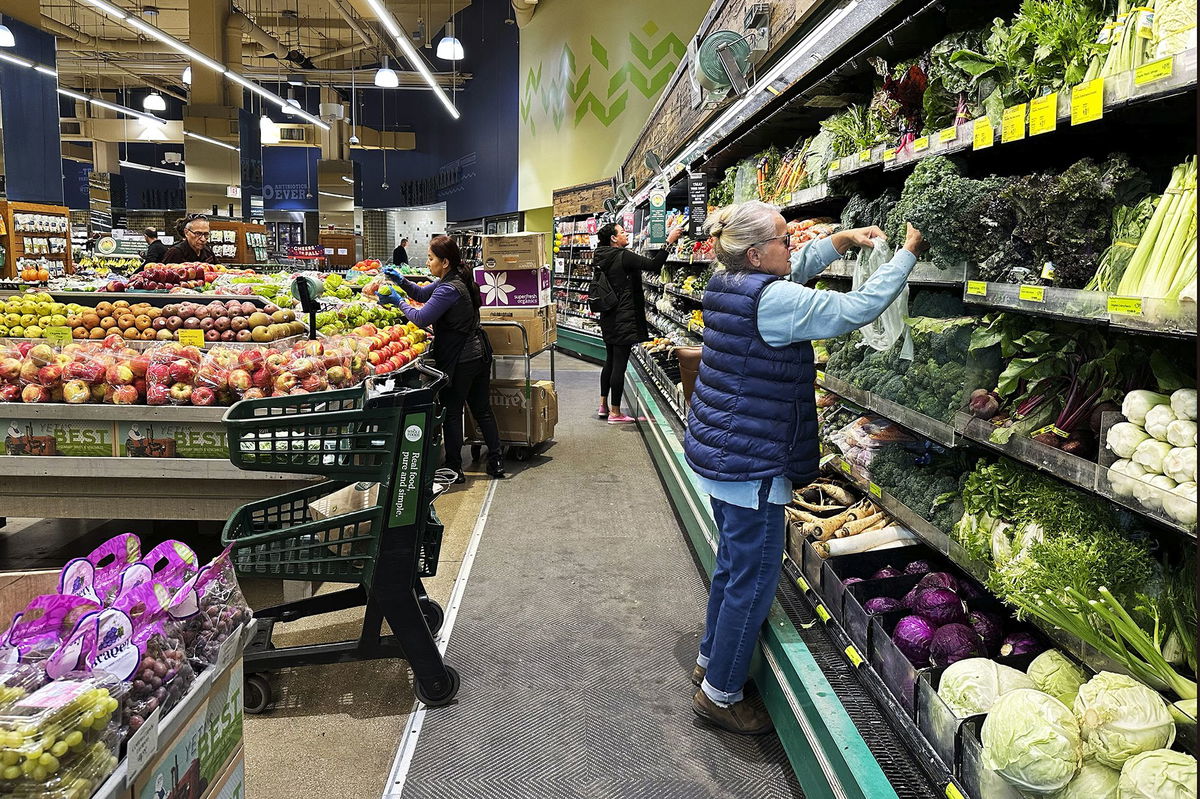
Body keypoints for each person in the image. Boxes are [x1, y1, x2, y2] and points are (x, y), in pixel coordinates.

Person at [683, 200, 923, 735]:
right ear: (755, 252)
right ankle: (720, 695)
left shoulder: (727, 281)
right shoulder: (772, 300)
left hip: (723, 451)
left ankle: (709, 658)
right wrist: (906, 255)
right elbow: (857, 308)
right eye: (783, 240)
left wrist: (839, 243)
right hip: (755, 462)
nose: (791, 247)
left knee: (732, 567)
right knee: (754, 579)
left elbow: (791, 270)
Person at [383, 236, 505, 482]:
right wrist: (401, 281)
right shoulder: (456, 279)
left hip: (462, 358)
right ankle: (496, 462)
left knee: (452, 411)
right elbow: (421, 292)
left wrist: (398, 302)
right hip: (479, 354)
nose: (428, 263)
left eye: (431, 258)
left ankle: (454, 468)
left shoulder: (449, 288)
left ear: (445, 262)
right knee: (482, 409)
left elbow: (420, 317)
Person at [592, 222, 683, 423]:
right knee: (619, 364)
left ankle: (603, 405)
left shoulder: (601, 255)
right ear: (614, 238)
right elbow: (653, 265)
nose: (626, 234)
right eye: (622, 232)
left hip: (608, 314)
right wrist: (669, 241)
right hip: (624, 315)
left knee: (610, 361)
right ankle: (615, 412)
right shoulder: (623, 255)